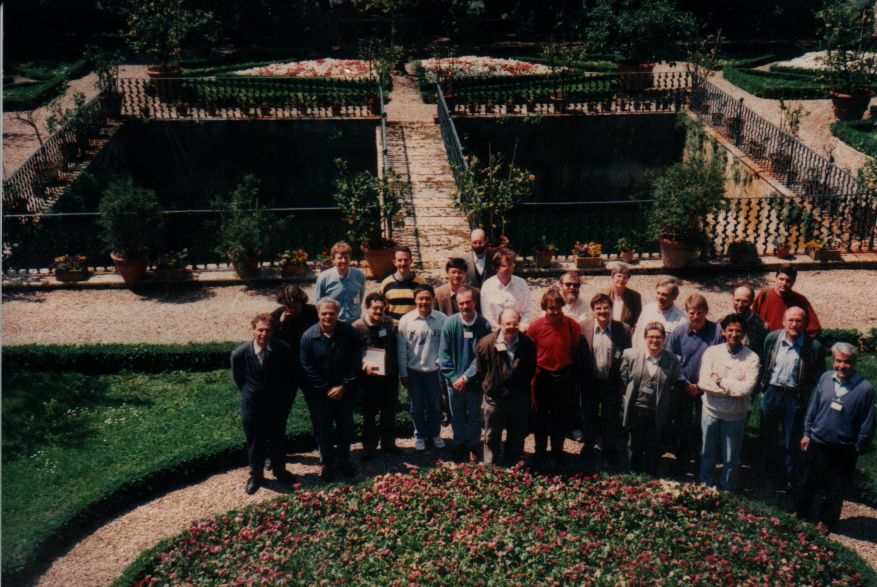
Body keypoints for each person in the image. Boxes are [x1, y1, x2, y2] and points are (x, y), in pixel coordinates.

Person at [796, 343, 875, 534]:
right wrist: (807, 433)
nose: (842, 366)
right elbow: (813, 407)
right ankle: (800, 513)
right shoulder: (825, 378)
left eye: (847, 362)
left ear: (854, 363)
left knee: (836, 486)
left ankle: (826, 521)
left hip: (844, 447)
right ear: (834, 360)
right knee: (808, 481)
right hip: (817, 440)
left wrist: (857, 446)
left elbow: (867, 422)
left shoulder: (865, 389)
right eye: (839, 361)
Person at [759, 306, 826, 489]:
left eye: (798, 321)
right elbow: (765, 363)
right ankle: (765, 474)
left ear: (804, 323)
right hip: (772, 393)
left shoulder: (814, 347)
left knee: (791, 439)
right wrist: (763, 388)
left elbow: (819, 378)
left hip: (794, 397)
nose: (794, 324)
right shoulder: (772, 339)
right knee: (767, 434)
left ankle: (789, 478)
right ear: (783, 321)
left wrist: (807, 397)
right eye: (790, 320)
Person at [231, 313, 296, 494]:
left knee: (277, 438)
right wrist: (252, 392)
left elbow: (290, 377)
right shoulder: (240, 353)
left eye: (267, 330)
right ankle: (256, 476)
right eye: (260, 330)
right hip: (252, 405)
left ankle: (279, 470)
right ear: (253, 331)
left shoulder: (282, 349)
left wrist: (283, 400)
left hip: (276, 405)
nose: (263, 334)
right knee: (255, 441)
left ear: (272, 332)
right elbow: (239, 379)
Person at [300, 298, 362, 481]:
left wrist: (343, 386)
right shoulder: (308, 337)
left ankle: (343, 460)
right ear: (318, 314)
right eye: (324, 313)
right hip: (320, 394)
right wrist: (327, 389)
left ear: (338, 313)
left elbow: (356, 363)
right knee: (323, 428)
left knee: (345, 427)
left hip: (345, 391)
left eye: (332, 313)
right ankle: (326, 463)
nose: (328, 317)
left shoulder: (350, 333)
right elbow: (307, 366)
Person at [697, 314, 760, 491]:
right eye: (730, 330)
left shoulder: (752, 358)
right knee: (707, 452)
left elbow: (746, 389)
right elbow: (704, 383)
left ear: (744, 333)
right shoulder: (712, 353)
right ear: (723, 332)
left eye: (738, 331)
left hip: (735, 415)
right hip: (710, 411)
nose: (734, 334)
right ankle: (705, 485)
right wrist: (732, 386)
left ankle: (727, 489)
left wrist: (720, 381)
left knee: (731, 457)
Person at [666, 294, 724, 476]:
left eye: (700, 312)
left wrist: (701, 385)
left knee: (704, 427)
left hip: (707, 388)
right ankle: (682, 462)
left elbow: (721, 361)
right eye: (692, 313)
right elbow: (671, 359)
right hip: (682, 386)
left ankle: (702, 465)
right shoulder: (679, 332)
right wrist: (684, 382)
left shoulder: (717, 332)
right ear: (687, 312)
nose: (695, 317)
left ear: (706, 311)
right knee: (681, 425)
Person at [527, 288, 583, 468]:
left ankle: (558, 451)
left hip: (563, 374)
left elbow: (573, 348)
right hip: (541, 375)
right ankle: (540, 451)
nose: (555, 311)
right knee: (540, 416)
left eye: (559, 307)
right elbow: (530, 351)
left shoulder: (572, 325)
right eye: (551, 308)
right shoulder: (535, 327)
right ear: (545, 308)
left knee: (560, 416)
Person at [619, 322, 681, 476]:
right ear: (645, 338)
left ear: (664, 339)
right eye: (651, 337)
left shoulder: (673, 360)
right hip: (636, 407)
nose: (655, 341)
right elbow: (624, 377)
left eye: (659, 337)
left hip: (657, 409)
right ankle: (634, 473)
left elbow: (671, 382)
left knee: (654, 444)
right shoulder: (630, 355)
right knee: (634, 443)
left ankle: (651, 475)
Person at [438, 287, 492, 462]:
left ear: (474, 302)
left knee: (475, 416)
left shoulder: (484, 325)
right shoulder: (450, 323)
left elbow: (482, 357)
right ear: (457, 304)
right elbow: (443, 355)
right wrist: (455, 379)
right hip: (454, 383)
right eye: (461, 303)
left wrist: (466, 378)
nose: (465, 306)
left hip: (474, 382)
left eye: (468, 302)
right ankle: (460, 443)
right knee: (457, 415)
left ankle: (473, 445)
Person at [477, 309, 537, 466]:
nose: (511, 327)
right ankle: (491, 469)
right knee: (491, 436)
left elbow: (531, 370)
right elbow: (481, 370)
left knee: (517, 436)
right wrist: (493, 385)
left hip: (518, 398)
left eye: (515, 323)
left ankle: (513, 465)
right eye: (507, 323)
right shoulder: (485, 344)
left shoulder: (528, 344)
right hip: (494, 399)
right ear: (499, 324)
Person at [579, 293, 633, 465]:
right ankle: (588, 445)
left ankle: (609, 448)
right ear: (593, 311)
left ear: (611, 309)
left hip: (612, 382)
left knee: (611, 416)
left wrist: (623, 383)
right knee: (589, 414)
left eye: (606, 308)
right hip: (590, 381)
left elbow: (627, 358)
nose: (602, 311)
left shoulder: (623, 329)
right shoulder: (583, 328)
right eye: (598, 308)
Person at [269, 285, 319, 466]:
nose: (292, 309)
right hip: (286, 372)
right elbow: (267, 340)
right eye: (288, 306)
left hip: (308, 369)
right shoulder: (276, 315)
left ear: (302, 301)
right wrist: (280, 323)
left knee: (317, 410)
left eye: (296, 306)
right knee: (280, 414)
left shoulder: (312, 312)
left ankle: (324, 450)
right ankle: (276, 453)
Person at [397, 284, 448, 451]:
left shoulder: (442, 319)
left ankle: (434, 434)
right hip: (414, 371)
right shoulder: (406, 320)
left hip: (434, 371)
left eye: (427, 298)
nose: (424, 302)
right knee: (416, 406)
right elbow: (402, 350)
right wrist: (403, 372)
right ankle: (420, 435)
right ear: (415, 300)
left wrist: (442, 365)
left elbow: (446, 346)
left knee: (435, 405)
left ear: (433, 300)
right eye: (421, 298)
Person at [351, 293, 400, 460]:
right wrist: (363, 364)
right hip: (368, 379)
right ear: (367, 308)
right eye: (375, 308)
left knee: (389, 411)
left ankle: (388, 443)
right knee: (369, 414)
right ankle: (369, 447)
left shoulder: (388, 323)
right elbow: (352, 354)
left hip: (388, 377)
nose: (379, 311)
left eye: (382, 308)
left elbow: (394, 346)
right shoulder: (356, 328)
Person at [753, 264, 822, 338]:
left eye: (788, 280)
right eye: (781, 279)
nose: (784, 283)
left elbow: (814, 328)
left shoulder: (800, 300)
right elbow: (753, 319)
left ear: (794, 281)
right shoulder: (764, 295)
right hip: (766, 342)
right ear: (776, 278)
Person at [480, 249, 536, 330]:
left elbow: (528, 310)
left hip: (519, 331)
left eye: (511, 265)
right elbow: (487, 315)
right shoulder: (487, 286)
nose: (509, 268)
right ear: (496, 267)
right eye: (505, 265)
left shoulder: (522, 284)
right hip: (496, 333)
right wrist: (501, 331)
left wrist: (521, 328)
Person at [314, 241, 366, 323]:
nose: (343, 261)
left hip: (354, 322)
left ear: (350, 258)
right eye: (340, 258)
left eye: (346, 257)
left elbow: (360, 297)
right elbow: (319, 304)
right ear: (333, 260)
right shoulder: (324, 278)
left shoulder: (359, 276)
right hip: (334, 323)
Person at [632, 277, 686, 351]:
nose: (659, 297)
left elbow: (680, 349)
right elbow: (636, 336)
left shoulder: (681, 321)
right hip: (641, 358)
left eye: (664, 295)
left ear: (674, 296)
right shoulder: (648, 309)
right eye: (658, 293)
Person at [381, 246, 428, 324]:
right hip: (393, 329)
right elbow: (382, 309)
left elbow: (427, 306)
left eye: (406, 260)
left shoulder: (421, 282)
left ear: (411, 261)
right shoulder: (386, 284)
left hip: (415, 326)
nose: (403, 263)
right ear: (394, 262)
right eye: (400, 260)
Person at [732, 284, 768, 360]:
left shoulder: (761, 326)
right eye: (737, 300)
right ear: (733, 299)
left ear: (752, 302)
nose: (740, 305)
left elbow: (764, 355)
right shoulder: (724, 321)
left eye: (745, 301)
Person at [605, 262, 642, 329]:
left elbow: (637, 319)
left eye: (625, 277)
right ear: (613, 277)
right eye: (619, 276)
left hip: (626, 333)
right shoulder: (603, 295)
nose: (621, 279)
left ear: (628, 279)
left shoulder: (635, 297)